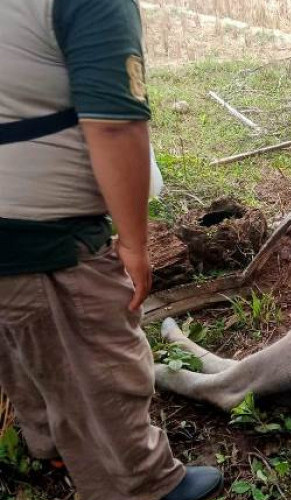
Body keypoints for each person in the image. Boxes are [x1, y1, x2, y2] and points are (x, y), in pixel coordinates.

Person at [0, 1, 222, 499]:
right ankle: (141, 484)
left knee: (22, 342)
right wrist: (134, 242)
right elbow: (114, 125)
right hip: (44, 235)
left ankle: (51, 443)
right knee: (100, 362)